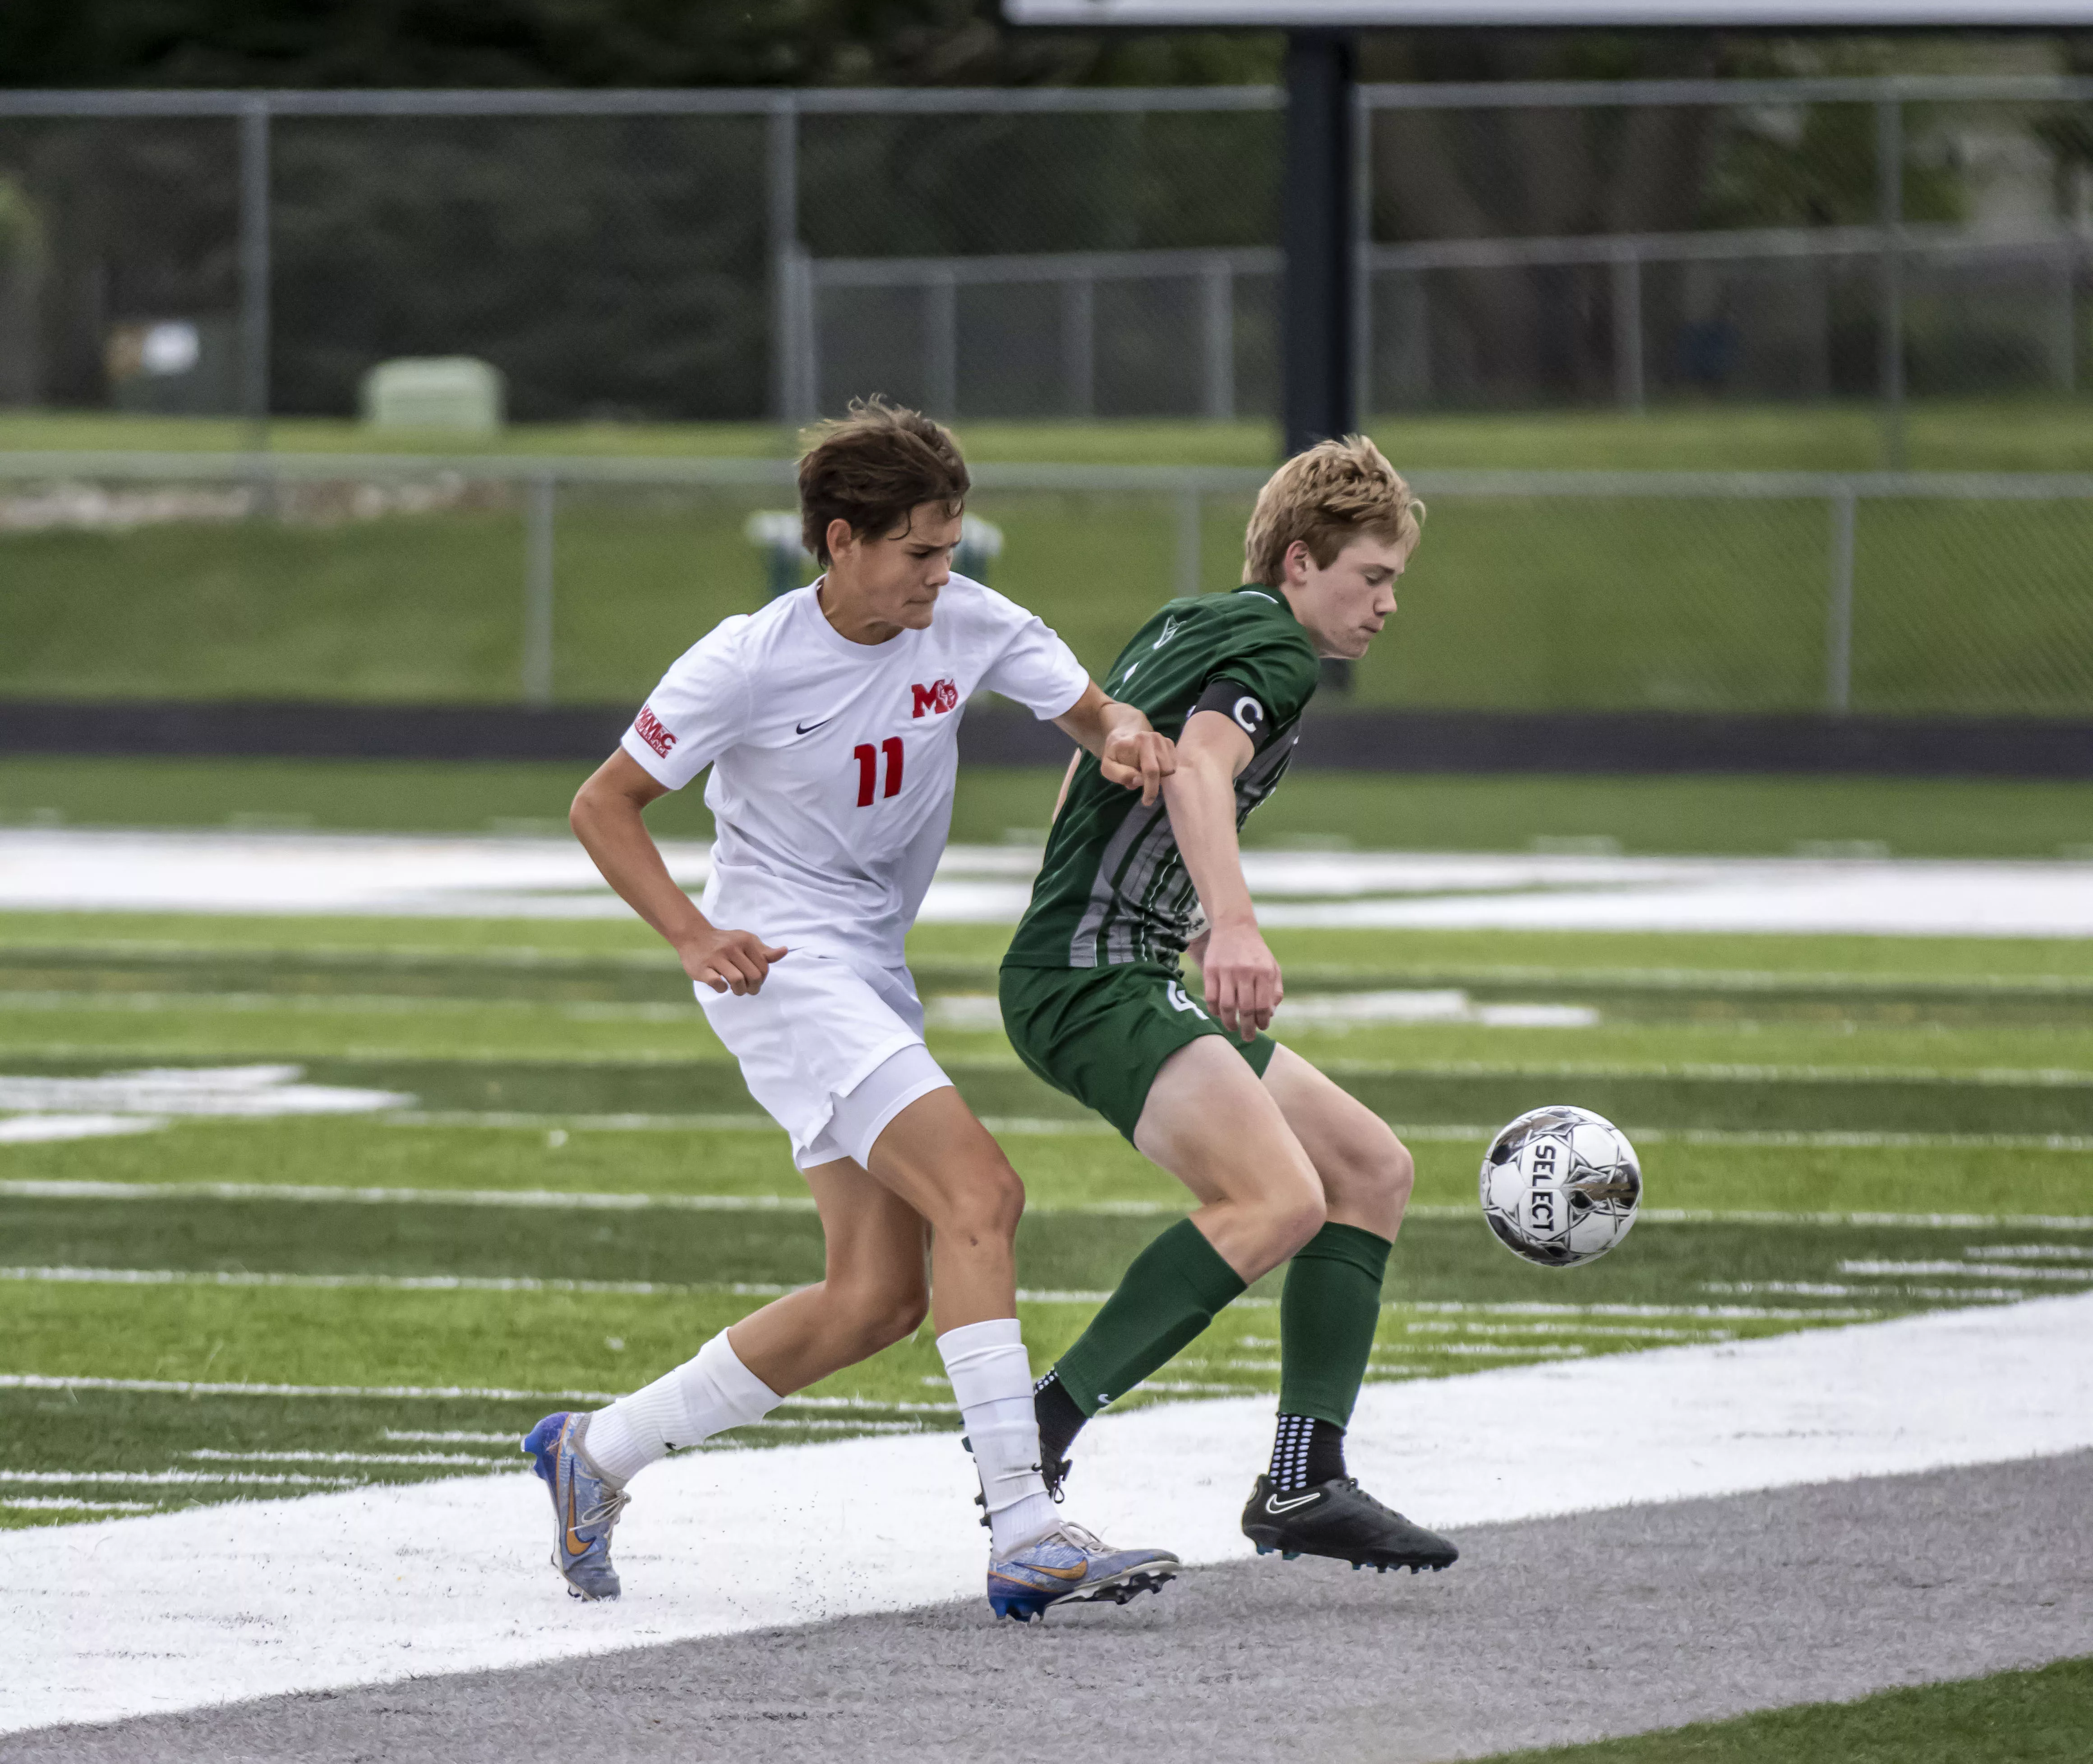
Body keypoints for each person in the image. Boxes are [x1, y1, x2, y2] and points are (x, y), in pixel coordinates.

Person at [523, 399, 1181, 1621]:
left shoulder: (969, 620)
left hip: (869, 966)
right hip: (785, 968)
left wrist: (1127, 734)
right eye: (920, 552)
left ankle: (597, 1450)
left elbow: (1092, 715)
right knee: (981, 1193)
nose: (945, 573)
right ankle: (1026, 1526)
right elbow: (603, 804)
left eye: (951, 546)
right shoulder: (747, 656)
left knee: (876, 1296)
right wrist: (693, 933)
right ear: (840, 541)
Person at [997, 435, 1459, 1575]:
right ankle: (1034, 1431)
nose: (1388, 602)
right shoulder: (1276, 648)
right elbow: (1201, 770)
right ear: (1300, 563)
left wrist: (1173, 921)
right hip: (1094, 977)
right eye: (1373, 575)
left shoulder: (1189, 619)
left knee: (1366, 1168)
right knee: (1276, 1197)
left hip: (1107, 959)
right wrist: (1232, 925)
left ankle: (1305, 1475)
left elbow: (1098, 758)